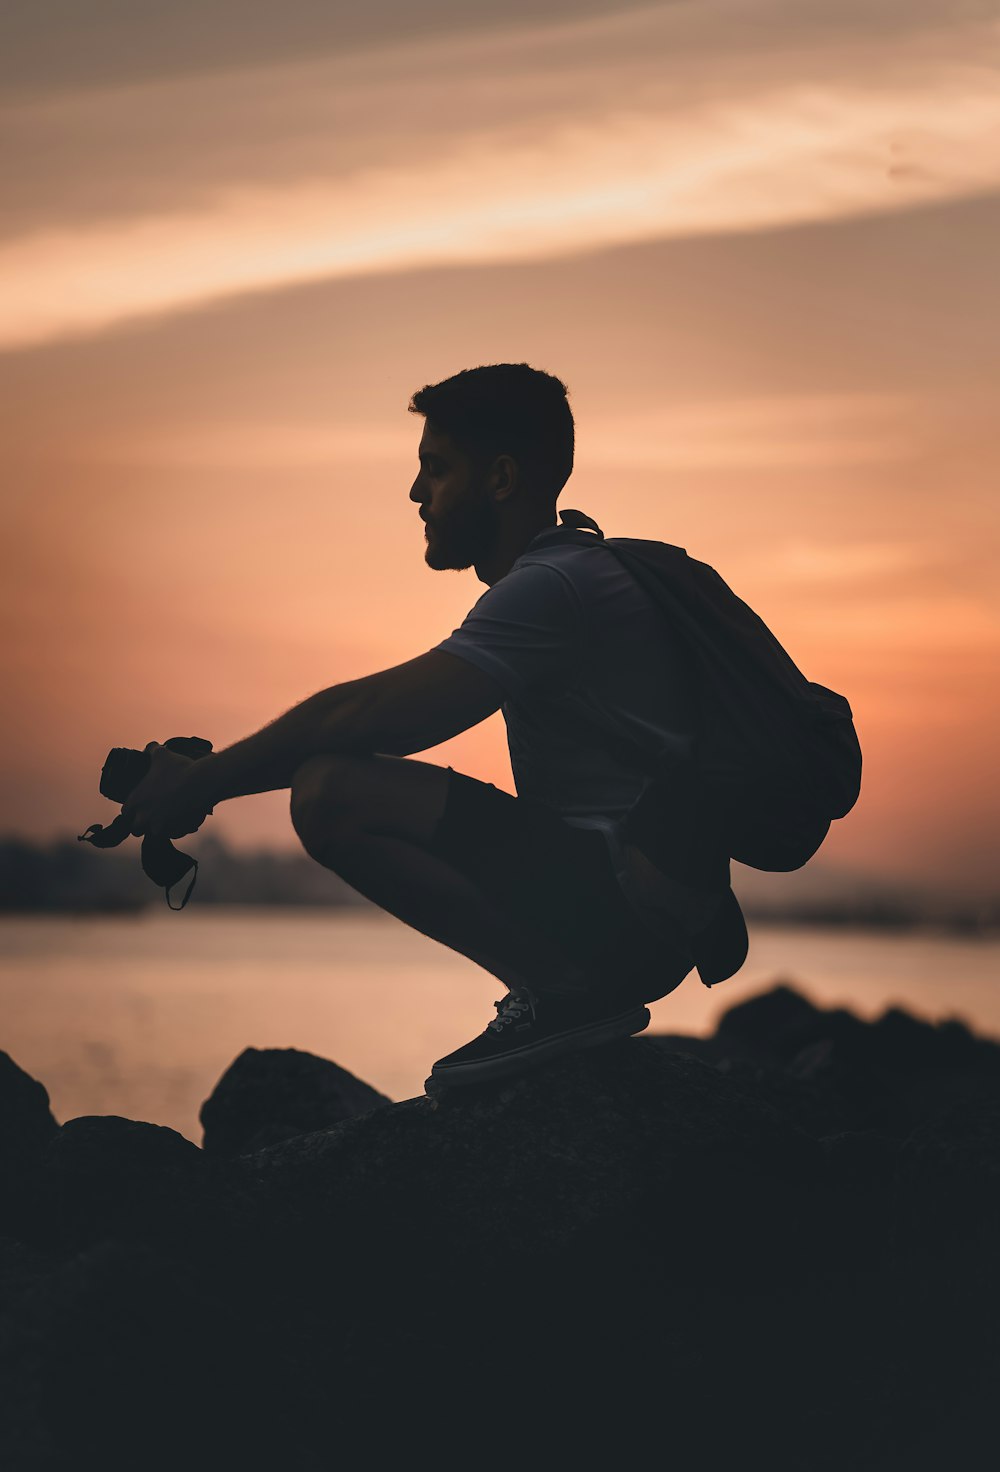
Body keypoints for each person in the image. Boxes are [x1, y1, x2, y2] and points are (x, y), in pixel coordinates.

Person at [122, 363, 746, 1091]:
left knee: (331, 791)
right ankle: (558, 994)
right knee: (332, 776)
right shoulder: (576, 572)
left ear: (502, 478)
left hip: (623, 904)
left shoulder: (554, 587)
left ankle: (562, 994)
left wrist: (202, 782)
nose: (417, 493)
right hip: (639, 900)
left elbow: (373, 717)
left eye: (436, 469)